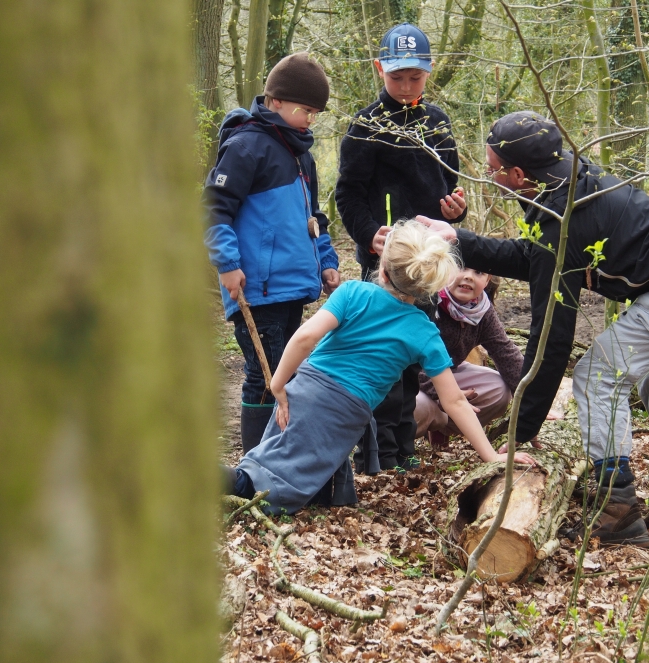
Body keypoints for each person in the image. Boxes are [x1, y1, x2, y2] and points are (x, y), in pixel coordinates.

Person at [420, 111, 649, 546]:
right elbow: (538, 256)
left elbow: (552, 336)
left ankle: (618, 508)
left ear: (518, 173)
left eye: (494, 169)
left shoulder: (563, 216)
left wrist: (522, 428)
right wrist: (458, 239)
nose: (491, 176)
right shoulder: (567, 182)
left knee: (597, 375)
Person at [222, 221, 535, 515]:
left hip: (306, 388)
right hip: (346, 410)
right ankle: (224, 484)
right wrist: (491, 456)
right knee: (279, 474)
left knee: (288, 454)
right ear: (429, 286)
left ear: (382, 270)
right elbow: (454, 402)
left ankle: (235, 484)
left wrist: (279, 385)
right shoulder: (424, 332)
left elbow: (305, 337)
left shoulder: (352, 292)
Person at [335, 23, 468, 470]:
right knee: (379, 357)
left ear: (428, 72)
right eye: (397, 78)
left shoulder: (438, 123)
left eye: (415, 77)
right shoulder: (366, 125)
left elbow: (450, 190)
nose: (406, 86)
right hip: (384, 265)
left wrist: (455, 212)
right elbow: (347, 194)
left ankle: (403, 451)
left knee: (413, 359)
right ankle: (376, 453)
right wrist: (367, 231)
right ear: (380, 70)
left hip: (427, 263)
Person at [204, 52, 341, 454]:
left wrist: (327, 263)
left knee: (288, 370)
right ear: (275, 101)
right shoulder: (247, 146)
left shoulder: (303, 155)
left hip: (294, 285)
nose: (310, 120)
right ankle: (255, 468)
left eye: (316, 113)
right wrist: (228, 265)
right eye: (305, 110)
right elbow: (214, 210)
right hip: (256, 287)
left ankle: (279, 457)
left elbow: (314, 217)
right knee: (264, 376)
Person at [414, 268, 525, 444]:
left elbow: (506, 352)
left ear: (488, 280)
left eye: (479, 272)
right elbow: (408, 362)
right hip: (410, 381)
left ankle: (443, 428)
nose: (468, 276)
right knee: (417, 408)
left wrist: (533, 403)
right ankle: (401, 445)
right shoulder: (425, 300)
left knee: (499, 390)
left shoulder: (482, 310)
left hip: (449, 372)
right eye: (461, 267)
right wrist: (444, 395)